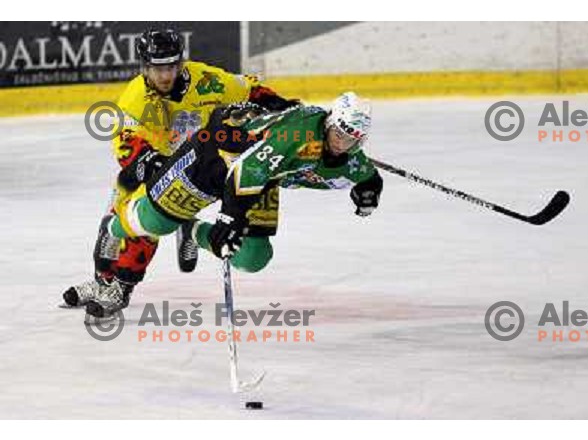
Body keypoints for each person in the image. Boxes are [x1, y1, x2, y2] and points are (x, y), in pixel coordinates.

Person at [63, 28, 297, 313]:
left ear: (181, 63)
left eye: (172, 67)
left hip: (208, 165)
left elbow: (248, 88)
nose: (165, 75)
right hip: (159, 166)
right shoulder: (136, 96)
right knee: (123, 221)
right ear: (144, 66)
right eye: (157, 68)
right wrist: (145, 159)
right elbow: (125, 139)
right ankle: (106, 283)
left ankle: (127, 282)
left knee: (151, 222)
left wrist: (275, 102)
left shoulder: (208, 81)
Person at [88, 92, 383, 317]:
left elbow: (364, 173)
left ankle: (190, 231)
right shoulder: (299, 134)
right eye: (340, 134)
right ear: (330, 123)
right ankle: (113, 225)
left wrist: (370, 187)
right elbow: (246, 170)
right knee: (156, 223)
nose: (342, 143)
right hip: (215, 156)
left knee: (253, 257)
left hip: (260, 177)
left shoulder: (346, 151)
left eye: (352, 139)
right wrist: (230, 219)